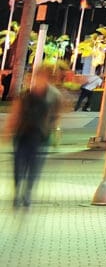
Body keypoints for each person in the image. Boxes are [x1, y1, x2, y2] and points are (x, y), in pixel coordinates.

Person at [8, 63, 67, 210]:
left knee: (34, 167)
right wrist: (9, 130)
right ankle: (17, 192)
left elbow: (58, 114)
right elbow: (16, 113)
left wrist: (54, 130)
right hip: (22, 134)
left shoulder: (53, 95)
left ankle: (27, 193)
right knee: (18, 165)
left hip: (40, 136)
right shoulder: (27, 94)